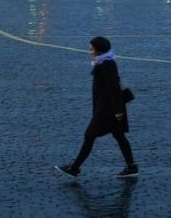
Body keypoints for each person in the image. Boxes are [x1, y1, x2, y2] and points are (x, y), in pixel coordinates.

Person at [56, 36, 138, 179]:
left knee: (89, 135)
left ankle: (74, 168)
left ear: (98, 49)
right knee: (119, 136)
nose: (90, 51)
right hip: (109, 107)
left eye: (92, 48)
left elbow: (113, 89)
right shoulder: (103, 62)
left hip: (108, 109)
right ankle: (131, 167)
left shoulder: (106, 65)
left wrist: (118, 111)